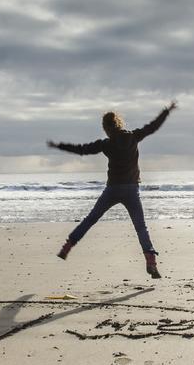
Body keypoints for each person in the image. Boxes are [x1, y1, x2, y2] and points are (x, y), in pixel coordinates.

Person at [48, 102, 177, 279]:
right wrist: (166, 111)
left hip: (112, 189)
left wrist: (59, 146)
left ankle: (67, 246)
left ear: (105, 128)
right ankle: (151, 262)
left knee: (91, 219)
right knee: (140, 227)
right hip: (131, 190)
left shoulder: (106, 144)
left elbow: (82, 150)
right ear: (119, 122)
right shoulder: (133, 136)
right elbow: (152, 127)